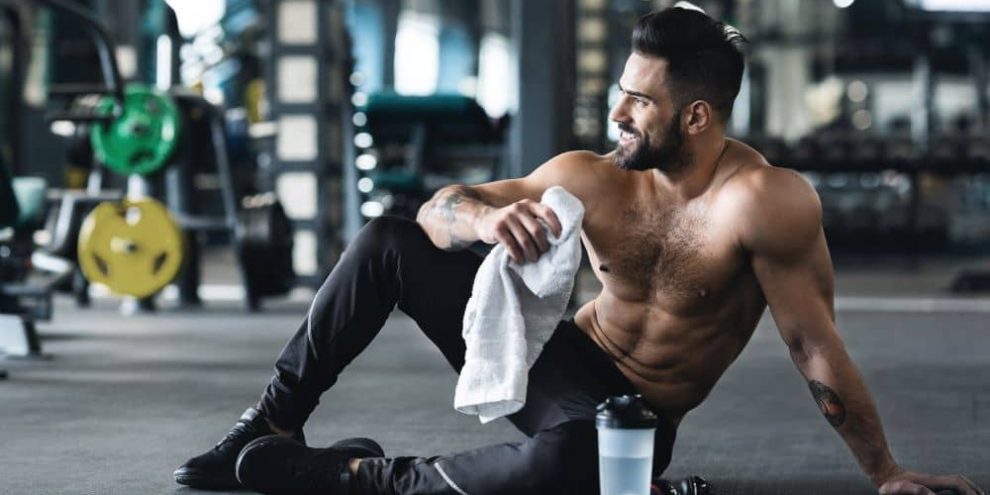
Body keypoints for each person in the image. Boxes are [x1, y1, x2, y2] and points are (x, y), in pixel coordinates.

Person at [175, 7, 983, 495]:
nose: (619, 113)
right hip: (556, 359)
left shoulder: (766, 203)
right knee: (389, 238)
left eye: (639, 100)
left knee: (581, 463)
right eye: (619, 92)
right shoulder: (590, 177)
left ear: (698, 116)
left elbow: (813, 343)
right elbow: (438, 210)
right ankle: (270, 426)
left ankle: (359, 479)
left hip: (635, 415)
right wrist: (484, 223)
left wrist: (884, 472)